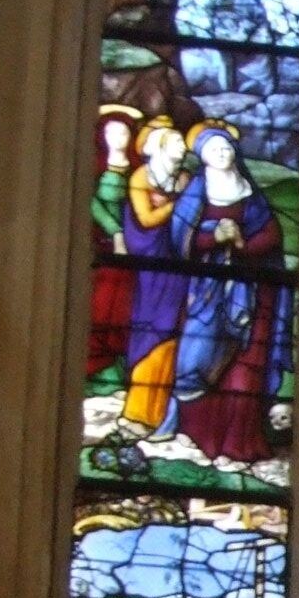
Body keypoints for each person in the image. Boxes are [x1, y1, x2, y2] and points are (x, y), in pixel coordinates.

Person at [169, 123, 293, 461]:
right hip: (204, 294)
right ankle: (196, 436)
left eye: (226, 148)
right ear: (202, 158)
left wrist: (242, 245)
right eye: (214, 150)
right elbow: (181, 239)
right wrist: (213, 237)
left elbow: (271, 235)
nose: (222, 154)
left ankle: (238, 444)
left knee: (247, 368)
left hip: (254, 296)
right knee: (194, 361)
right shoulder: (195, 193)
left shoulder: (250, 193)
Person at [113, 119, 190, 433]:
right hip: (151, 265)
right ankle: (139, 404)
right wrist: (178, 205)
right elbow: (145, 219)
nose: (182, 148)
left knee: (175, 327)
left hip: (179, 263)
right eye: (175, 142)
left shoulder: (185, 178)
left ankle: (161, 407)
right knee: (150, 327)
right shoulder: (141, 177)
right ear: (158, 147)